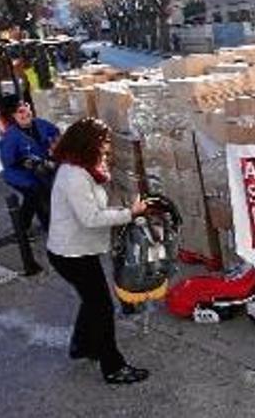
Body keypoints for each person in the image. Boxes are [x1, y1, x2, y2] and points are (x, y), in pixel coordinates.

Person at [46, 117, 150, 385]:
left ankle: (82, 346)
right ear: (87, 143)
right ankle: (113, 367)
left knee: (92, 302)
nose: (107, 147)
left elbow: (98, 205)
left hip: (78, 250)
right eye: (103, 142)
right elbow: (91, 217)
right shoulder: (74, 176)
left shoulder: (84, 167)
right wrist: (129, 213)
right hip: (71, 254)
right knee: (102, 308)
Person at [0, 95, 60, 238]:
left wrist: (54, 148)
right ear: (13, 116)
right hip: (18, 174)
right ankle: (47, 230)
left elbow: (56, 134)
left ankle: (24, 228)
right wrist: (29, 162)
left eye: (27, 109)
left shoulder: (40, 124)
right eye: (20, 112)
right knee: (36, 194)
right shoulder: (10, 136)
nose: (26, 114)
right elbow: (8, 160)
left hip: (41, 170)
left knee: (43, 193)